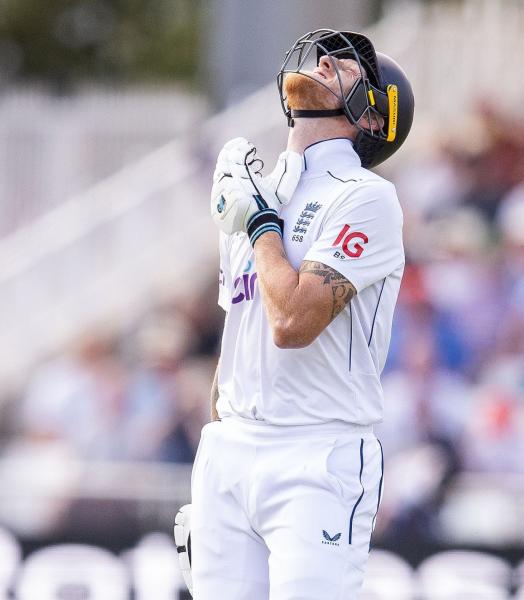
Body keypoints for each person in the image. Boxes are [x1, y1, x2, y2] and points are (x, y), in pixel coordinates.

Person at [176, 29, 414, 599]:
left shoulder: (365, 196)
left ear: (374, 119)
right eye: (330, 55)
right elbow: (242, 335)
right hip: (231, 452)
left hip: (318, 457)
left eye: (351, 68)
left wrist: (260, 224)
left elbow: (292, 324)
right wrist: (219, 448)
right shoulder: (256, 187)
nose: (326, 60)